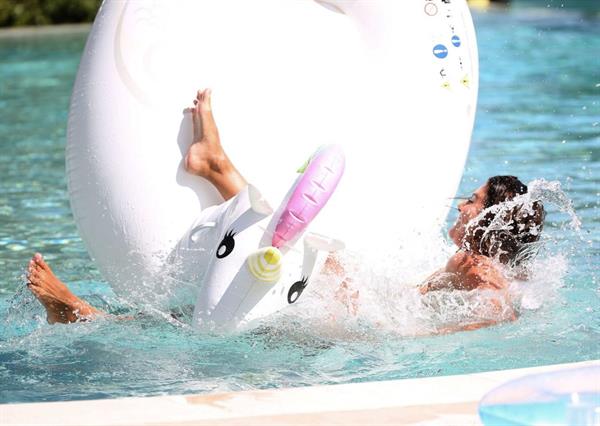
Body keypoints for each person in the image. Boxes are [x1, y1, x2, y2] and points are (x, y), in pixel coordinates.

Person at [26, 89, 545, 329]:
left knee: (251, 298)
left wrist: (399, 331)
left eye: (472, 201)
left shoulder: (480, 269)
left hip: (359, 338)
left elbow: (496, 312)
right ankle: (216, 165)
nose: (461, 204)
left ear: (492, 219)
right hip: (365, 322)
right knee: (289, 252)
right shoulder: (476, 264)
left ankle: (84, 315)